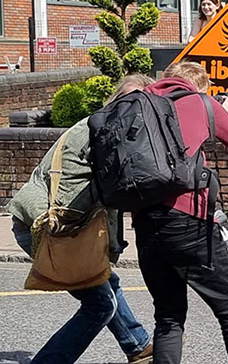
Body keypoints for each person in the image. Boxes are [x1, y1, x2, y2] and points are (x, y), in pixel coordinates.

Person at [9, 75, 155, 364]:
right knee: (100, 304)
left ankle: (137, 345)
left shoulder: (96, 125)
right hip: (49, 229)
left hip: (49, 223)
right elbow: (114, 196)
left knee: (105, 282)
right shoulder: (105, 136)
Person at [134, 62, 228, 364]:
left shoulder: (139, 103)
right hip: (189, 220)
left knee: (168, 316)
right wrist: (220, 115)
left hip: (144, 221)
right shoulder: (201, 103)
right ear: (199, 87)